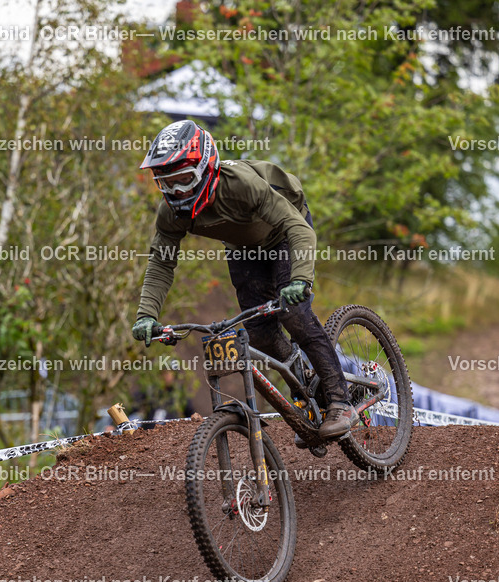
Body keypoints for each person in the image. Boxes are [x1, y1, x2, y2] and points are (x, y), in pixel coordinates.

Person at [130, 119, 358, 439]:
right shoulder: (171, 213)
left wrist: (300, 280)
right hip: (244, 248)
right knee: (260, 334)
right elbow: (161, 262)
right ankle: (304, 389)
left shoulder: (240, 185)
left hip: (284, 231)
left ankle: (340, 401)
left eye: (183, 179)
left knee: (294, 313)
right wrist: (146, 315)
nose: (176, 191)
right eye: (166, 184)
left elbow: (298, 228)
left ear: (205, 168)